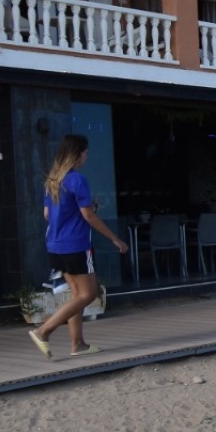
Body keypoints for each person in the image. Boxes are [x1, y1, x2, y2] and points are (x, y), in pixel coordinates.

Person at [28, 134, 128, 359]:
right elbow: (88, 216)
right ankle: (43, 331)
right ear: (77, 154)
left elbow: (47, 215)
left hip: (55, 246)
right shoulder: (77, 180)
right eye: (85, 152)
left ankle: (78, 344)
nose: (87, 156)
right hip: (76, 245)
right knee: (89, 294)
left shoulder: (53, 181)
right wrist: (115, 239)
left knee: (76, 295)